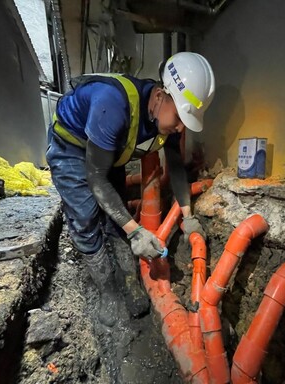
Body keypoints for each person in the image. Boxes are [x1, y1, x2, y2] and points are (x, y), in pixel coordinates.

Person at [46, 52, 215, 326]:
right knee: (87, 217)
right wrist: (136, 231)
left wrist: (188, 216)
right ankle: (108, 291)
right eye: (179, 116)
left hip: (108, 151)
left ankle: (127, 278)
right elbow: (96, 179)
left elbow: (174, 165)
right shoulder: (111, 105)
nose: (181, 126)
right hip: (71, 148)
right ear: (160, 95)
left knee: (118, 215)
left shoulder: (166, 119)